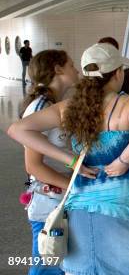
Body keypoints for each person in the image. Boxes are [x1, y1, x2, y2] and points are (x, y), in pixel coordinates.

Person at [8, 43, 129, 275]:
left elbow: (17, 130)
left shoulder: (69, 108)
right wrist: (123, 161)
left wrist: (71, 160)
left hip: (80, 208)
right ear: (118, 73)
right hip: (125, 206)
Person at [18, 50, 79, 275]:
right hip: (48, 205)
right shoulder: (41, 107)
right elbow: (33, 166)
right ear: (58, 69)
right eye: (72, 65)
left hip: (58, 200)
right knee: (47, 267)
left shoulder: (53, 103)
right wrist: (73, 183)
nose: (77, 70)